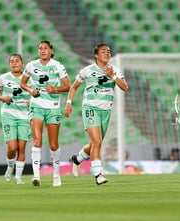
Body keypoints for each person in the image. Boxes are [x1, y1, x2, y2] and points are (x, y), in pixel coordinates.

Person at [65, 44, 129, 185]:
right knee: (97, 142)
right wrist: (69, 102)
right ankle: (98, 174)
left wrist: (113, 76)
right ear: (96, 55)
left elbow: (125, 87)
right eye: (103, 51)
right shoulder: (87, 71)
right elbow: (74, 86)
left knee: (95, 143)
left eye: (108, 51)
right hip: (90, 108)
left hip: (105, 111)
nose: (107, 53)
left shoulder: (114, 70)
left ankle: (77, 159)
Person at [20, 40, 70, 187]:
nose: (42, 50)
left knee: (53, 144)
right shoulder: (31, 65)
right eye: (40, 48)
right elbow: (22, 83)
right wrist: (30, 90)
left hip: (53, 107)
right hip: (36, 106)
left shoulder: (57, 65)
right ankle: (36, 175)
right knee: (37, 141)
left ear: (51, 51)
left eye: (46, 48)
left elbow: (68, 86)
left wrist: (54, 89)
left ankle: (56, 175)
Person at [0, 54, 31, 185]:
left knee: (22, 147)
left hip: (25, 116)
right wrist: (4, 98)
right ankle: (10, 166)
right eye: (11, 61)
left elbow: (37, 94)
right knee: (12, 147)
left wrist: (31, 102)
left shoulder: (29, 79)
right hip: (8, 114)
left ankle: (19, 177)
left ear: (22, 63)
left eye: (17, 61)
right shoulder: (3, 78)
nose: (14, 63)